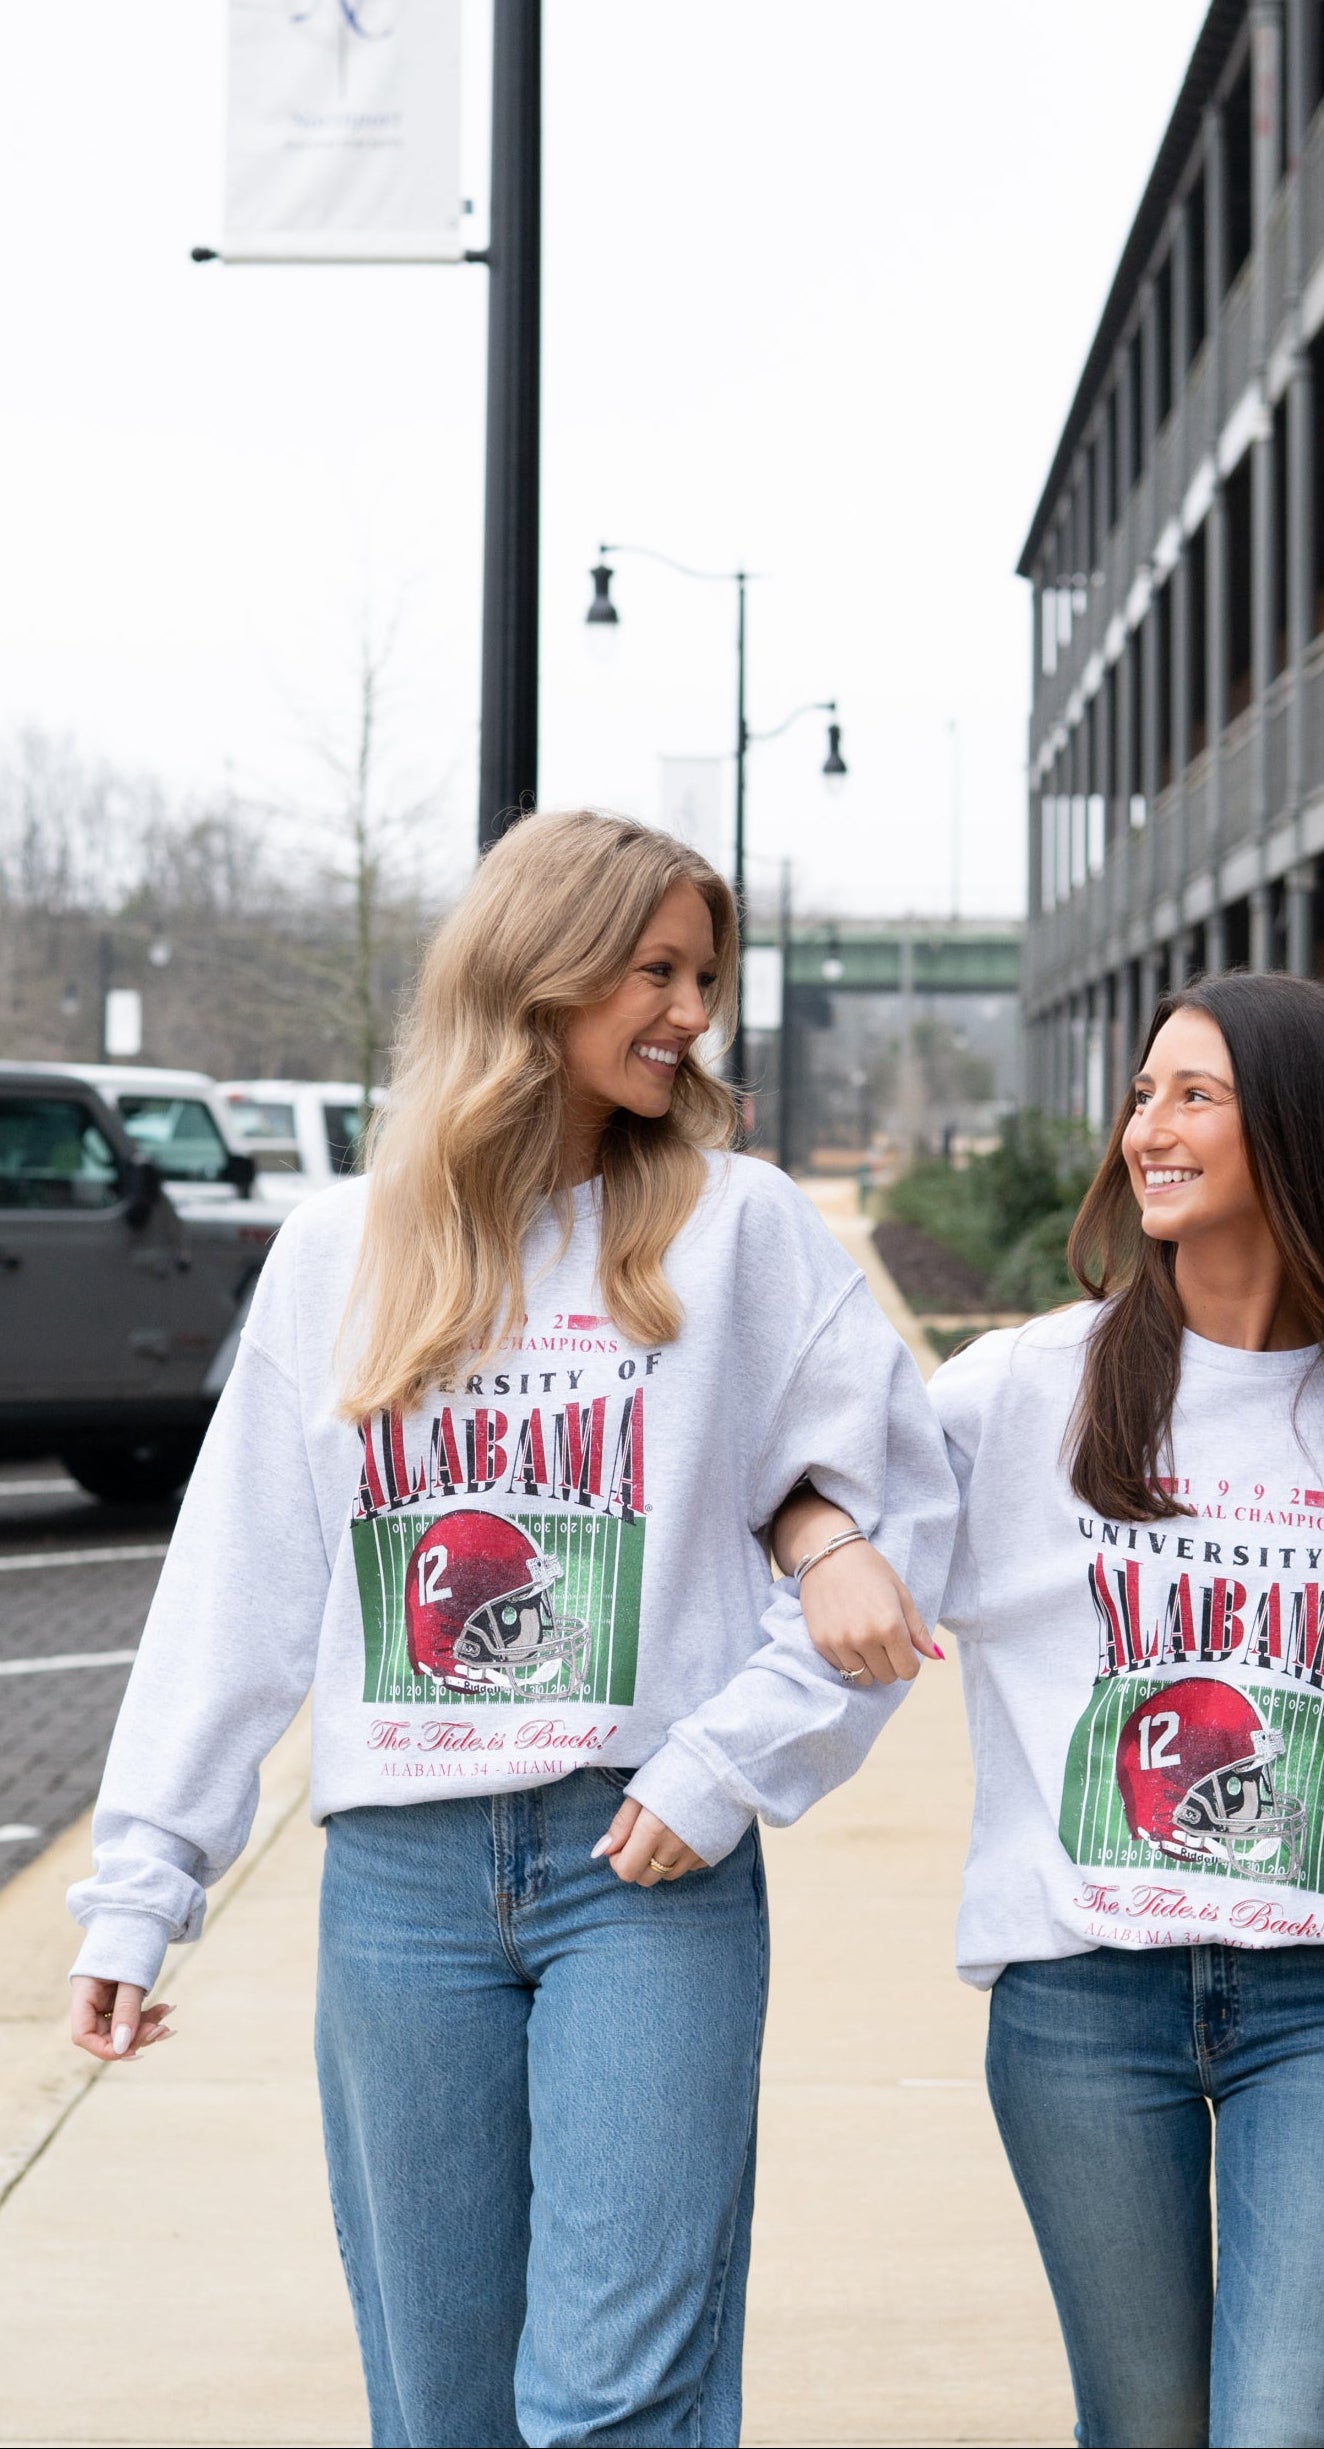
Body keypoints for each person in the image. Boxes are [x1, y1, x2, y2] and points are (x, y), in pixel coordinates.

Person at [67, 810, 954, 2449]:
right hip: (399, 1885)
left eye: (704, 976)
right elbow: (238, 1582)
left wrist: (724, 1764)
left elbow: (897, 1509)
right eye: (654, 970)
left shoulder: (739, 1227)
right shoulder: (341, 1249)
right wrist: (144, 1882)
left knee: (616, 2400)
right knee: (444, 2406)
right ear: (538, 971)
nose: (691, 1012)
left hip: (643, 1869)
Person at [777, 972, 1324, 2449]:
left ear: (1306, 1130)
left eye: (1196, 1095)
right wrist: (824, 1547)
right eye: (1143, 1094)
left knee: (1286, 2429)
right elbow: (803, 1476)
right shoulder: (1029, 1388)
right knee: (1141, 2428)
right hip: (1085, 2002)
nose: (1147, 1127)